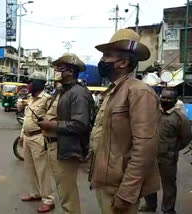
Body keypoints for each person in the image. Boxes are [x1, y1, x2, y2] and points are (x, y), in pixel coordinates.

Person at [89, 29, 160, 214]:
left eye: (107, 56)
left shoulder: (139, 92)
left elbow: (144, 148)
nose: (102, 61)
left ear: (123, 62)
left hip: (119, 188)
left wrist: (127, 192)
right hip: (106, 183)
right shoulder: (114, 91)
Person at [38, 53, 93, 214]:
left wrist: (51, 125)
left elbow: (80, 125)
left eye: (59, 68)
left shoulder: (78, 93)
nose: (55, 70)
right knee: (62, 191)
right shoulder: (62, 91)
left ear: (70, 71)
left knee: (67, 193)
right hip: (55, 147)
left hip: (65, 149)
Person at [139, 88, 192, 214]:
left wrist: (172, 149)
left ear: (175, 100)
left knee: (168, 185)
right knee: (149, 182)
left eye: (169, 98)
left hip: (168, 158)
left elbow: (186, 138)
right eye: (163, 97)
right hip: (150, 156)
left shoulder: (180, 118)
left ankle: (168, 209)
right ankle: (150, 206)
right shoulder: (153, 113)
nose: (165, 100)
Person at [19, 72, 55, 213]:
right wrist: (22, 134)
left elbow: (51, 120)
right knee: (30, 168)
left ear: (39, 84)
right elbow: (27, 118)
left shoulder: (47, 99)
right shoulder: (30, 99)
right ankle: (35, 193)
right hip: (27, 137)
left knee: (42, 170)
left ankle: (48, 200)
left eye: (31, 82)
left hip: (39, 137)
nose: (28, 85)